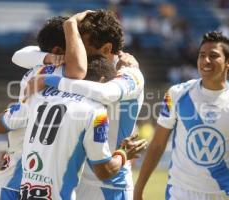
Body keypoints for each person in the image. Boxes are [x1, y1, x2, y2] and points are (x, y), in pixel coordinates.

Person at [12, 10, 145, 200]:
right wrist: (49, 58)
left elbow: (105, 93)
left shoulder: (130, 73)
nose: (74, 50)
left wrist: (49, 80)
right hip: (75, 181)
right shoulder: (73, 69)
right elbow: (21, 54)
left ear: (106, 49)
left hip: (109, 185)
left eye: (81, 44)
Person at [0, 54, 145, 200]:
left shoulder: (40, 97)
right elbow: (103, 171)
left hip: (27, 193)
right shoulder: (95, 111)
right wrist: (124, 153)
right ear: (102, 80)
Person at [134, 31, 229, 200]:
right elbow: (157, 145)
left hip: (223, 194)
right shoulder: (177, 94)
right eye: (202, 55)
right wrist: (138, 189)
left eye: (213, 56)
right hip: (179, 193)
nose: (205, 61)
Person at [0, 13, 89, 200]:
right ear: (60, 49)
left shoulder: (41, 66)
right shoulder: (62, 70)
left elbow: (20, 55)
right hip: (15, 185)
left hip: (25, 184)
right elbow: (78, 70)